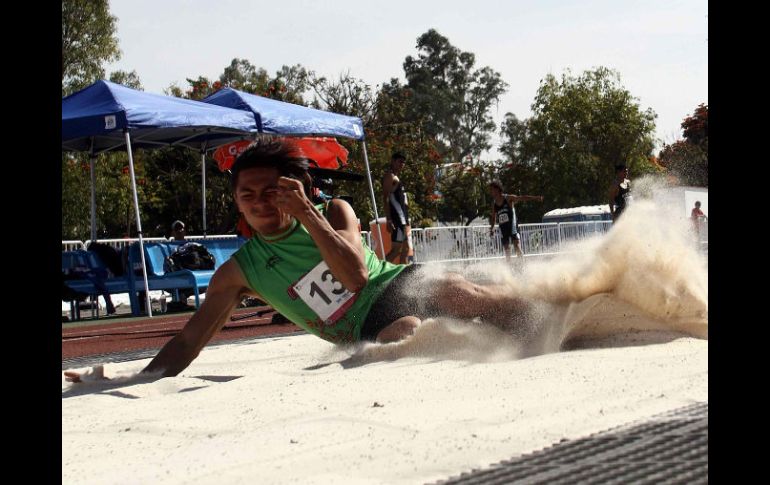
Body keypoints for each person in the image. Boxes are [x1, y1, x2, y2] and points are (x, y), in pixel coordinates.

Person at [65, 137, 532, 382]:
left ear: (297, 191)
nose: (260, 203)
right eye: (248, 196)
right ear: (238, 204)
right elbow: (189, 340)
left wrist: (307, 213)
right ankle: (495, 343)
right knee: (405, 335)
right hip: (362, 327)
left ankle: (546, 319)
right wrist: (129, 376)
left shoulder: (333, 210)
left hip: (392, 285)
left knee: (460, 294)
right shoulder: (238, 272)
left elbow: (355, 276)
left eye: (271, 192)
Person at [488, 181, 543, 264]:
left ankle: (523, 265)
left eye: (492, 190)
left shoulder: (508, 198)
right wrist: (492, 228)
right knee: (507, 249)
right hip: (503, 227)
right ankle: (509, 269)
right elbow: (493, 217)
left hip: (512, 225)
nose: (490, 192)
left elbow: (522, 197)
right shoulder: (494, 203)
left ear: (497, 189)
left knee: (516, 246)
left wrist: (535, 198)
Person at [382, 152, 412, 264]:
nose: (402, 164)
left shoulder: (397, 177)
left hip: (403, 218)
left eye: (403, 162)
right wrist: (388, 219)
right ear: (393, 161)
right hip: (397, 219)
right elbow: (385, 198)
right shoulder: (390, 177)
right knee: (395, 250)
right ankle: (379, 273)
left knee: (405, 249)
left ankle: (404, 278)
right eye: (399, 161)